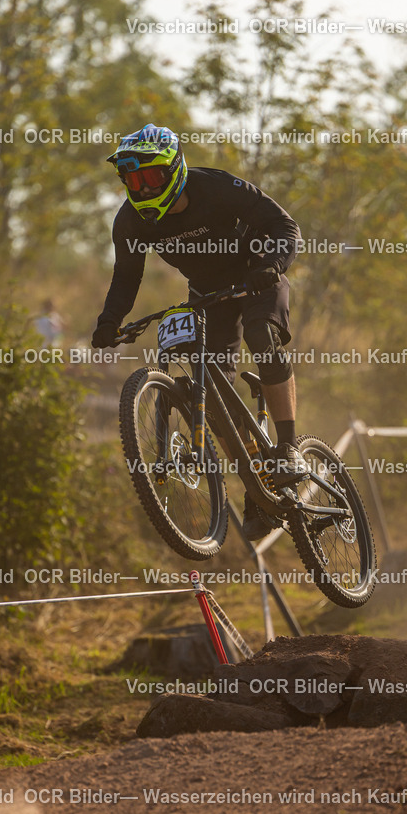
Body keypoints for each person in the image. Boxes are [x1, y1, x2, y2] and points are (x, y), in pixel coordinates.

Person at [92, 123, 306, 540]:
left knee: (261, 335)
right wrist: (108, 321)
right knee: (210, 393)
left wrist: (272, 264)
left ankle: (289, 447)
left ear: (173, 170)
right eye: (132, 179)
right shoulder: (130, 221)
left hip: (257, 274)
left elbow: (286, 227)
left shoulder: (217, 188)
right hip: (210, 294)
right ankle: (258, 484)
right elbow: (126, 277)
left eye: (149, 177)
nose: (140, 187)